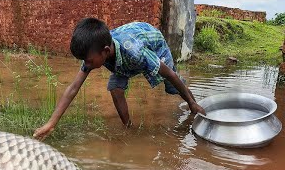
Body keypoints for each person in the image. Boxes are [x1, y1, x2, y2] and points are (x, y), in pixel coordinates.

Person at [33, 17, 206, 141]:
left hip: (154, 44)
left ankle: (192, 103)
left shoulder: (136, 52)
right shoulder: (97, 53)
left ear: (106, 51)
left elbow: (170, 74)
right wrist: (51, 123)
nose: (86, 65)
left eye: (89, 61)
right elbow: (73, 88)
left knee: (171, 86)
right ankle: (128, 126)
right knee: (115, 88)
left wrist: (191, 102)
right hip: (121, 56)